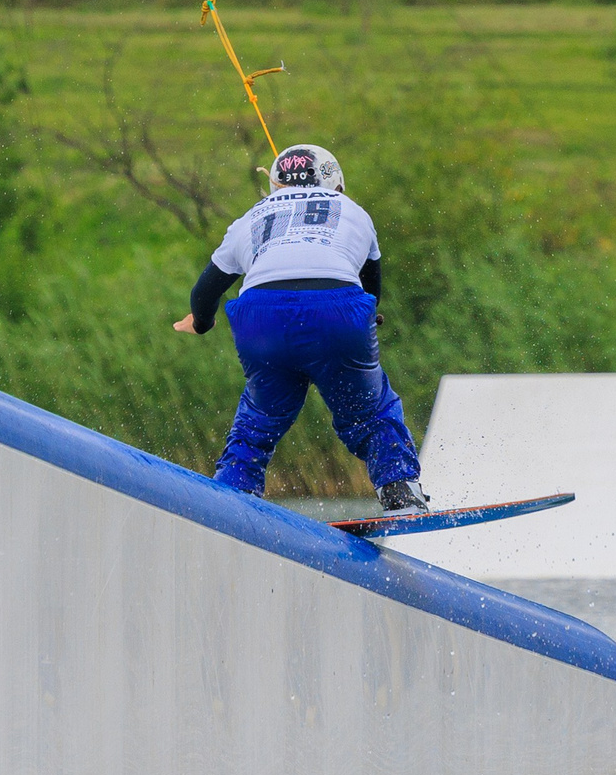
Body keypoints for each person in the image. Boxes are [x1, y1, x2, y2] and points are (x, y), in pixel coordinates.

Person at [173, 143, 427, 513]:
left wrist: (202, 322)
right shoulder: (353, 211)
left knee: (259, 415)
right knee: (370, 411)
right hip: (337, 313)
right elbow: (371, 285)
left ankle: (232, 495)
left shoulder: (251, 217)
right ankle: (399, 490)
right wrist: (369, 317)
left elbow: (205, 290)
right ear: (335, 184)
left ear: (275, 185)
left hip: (261, 319)